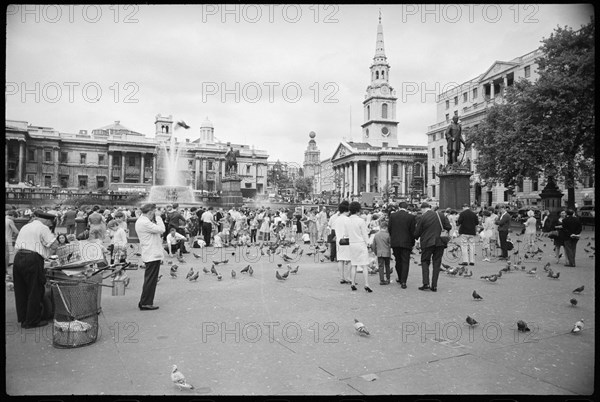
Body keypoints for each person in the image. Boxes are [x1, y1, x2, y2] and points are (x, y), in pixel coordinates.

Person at [13, 210, 59, 328]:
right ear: (46, 220)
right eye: (50, 223)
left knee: (21, 290)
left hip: (18, 257)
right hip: (32, 258)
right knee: (35, 289)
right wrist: (49, 253)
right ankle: (33, 320)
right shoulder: (43, 228)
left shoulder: (26, 226)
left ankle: (24, 319)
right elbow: (54, 245)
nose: (50, 225)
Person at [414, 202, 452, 292]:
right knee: (437, 263)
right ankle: (434, 285)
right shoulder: (441, 215)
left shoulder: (423, 217)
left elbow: (417, 232)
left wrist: (415, 237)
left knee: (425, 261)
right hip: (440, 242)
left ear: (423, 209)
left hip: (427, 243)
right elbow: (448, 226)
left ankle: (426, 283)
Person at [134, 203, 165, 311]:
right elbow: (162, 229)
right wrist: (159, 217)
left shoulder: (143, 221)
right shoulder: (145, 222)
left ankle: (144, 301)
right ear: (151, 212)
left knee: (150, 279)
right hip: (152, 253)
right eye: (154, 212)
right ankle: (146, 303)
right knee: (151, 280)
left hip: (151, 253)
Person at [388, 201, 416, 289]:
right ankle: (403, 281)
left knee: (398, 260)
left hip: (395, 242)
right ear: (407, 207)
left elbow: (389, 229)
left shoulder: (393, 216)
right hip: (406, 242)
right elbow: (412, 231)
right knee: (405, 262)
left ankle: (400, 277)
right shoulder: (411, 217)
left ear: (399, 207)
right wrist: (412, 242)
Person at [346, 201, 372, 292]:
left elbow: (346, 233)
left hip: (352, 243)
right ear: (358, 210)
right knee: (364, 265)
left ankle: (352, 283)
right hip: (360, 243)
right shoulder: (361, 221)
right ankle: (366, 284)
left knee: (354, 264)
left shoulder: (347, 220)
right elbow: (365, 234)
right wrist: (368, 243)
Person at [333, 201, 351, 284]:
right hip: (347, 241)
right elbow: (349, 231)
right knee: (349, 259)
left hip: (339, 241)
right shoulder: (347, 219)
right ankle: (348, 277)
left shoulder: (337, 219)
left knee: (340, 260)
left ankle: (341, 277)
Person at [371, 220, 392, 285]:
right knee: (387, 265)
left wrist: (376, 252)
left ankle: (381, 280)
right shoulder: (388, 235)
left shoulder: (376, 235)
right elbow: (390, 244)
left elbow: (373, 245)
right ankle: (388, 278)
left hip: (379, 253)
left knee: (380, 266)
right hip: (387, 252)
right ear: (386, 227)